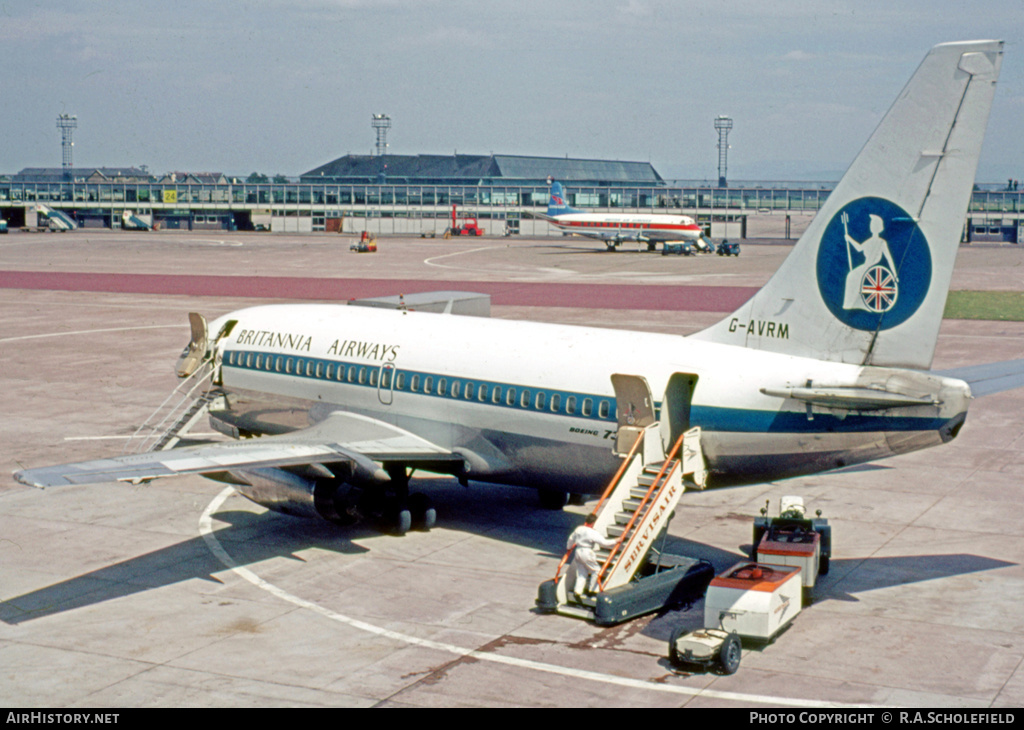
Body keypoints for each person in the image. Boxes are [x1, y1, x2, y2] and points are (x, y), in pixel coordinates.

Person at [567, 513, 618, 598]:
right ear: (593, 522)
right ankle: (592, 590)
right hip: (587, 552)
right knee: (597, 570)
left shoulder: (578, 529)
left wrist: (568, 547)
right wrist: (616, 540)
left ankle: (577, 591)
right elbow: (605, 543)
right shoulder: (592, 532)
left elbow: (571, 539)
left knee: (581, 573)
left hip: (578, 551)